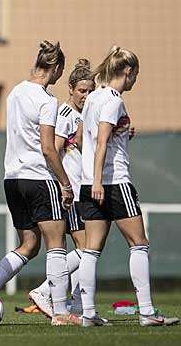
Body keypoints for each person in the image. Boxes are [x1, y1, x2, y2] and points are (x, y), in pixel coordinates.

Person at [0, 41, 80, 326]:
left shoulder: (14, 93)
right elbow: (49, 148)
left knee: (29, 244)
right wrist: (65, 183)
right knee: (57, 243)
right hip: (38, 178)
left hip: (13, 179)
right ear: (56, 68)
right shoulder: (48, 101)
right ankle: (60, 312)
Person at [78, 46, 179, 327]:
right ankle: (147, 312)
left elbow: (85, 138)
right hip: (112, 182)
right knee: (139, 244)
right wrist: (100, 181)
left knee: (91, 250)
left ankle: (87, 314)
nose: (136, 80)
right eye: (136, 74)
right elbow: (100, 143)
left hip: (89, 182)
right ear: (127, 71)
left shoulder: (92, 98)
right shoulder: (112, 100)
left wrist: (123, 134)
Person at [27, 59, 95, 317]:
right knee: (87, 248)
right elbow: (54, 149)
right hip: (71, 192)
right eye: (81, 91)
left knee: (87, 249)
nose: (86, 96)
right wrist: (61, 184)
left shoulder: (83, 115)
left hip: (81, 190)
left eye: (90, 91)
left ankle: (79, 305)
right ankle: (45, 290)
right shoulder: (65, 114)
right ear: (70, 89)